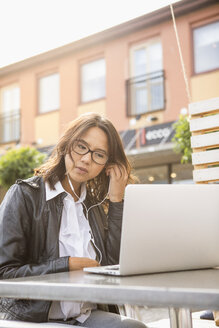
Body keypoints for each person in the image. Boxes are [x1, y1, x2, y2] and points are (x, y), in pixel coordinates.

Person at [0, 113, 147, 328]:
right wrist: (65, 265)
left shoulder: (94, 206)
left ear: (107, 164)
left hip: (86, 315)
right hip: (36, 318)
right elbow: (4, 273)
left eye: (99, 154)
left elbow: (113, 267)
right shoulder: (24, 195)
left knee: (134, 327)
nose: (86, 159)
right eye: (81, 147)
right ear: (66, 144)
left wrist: (116, 200)